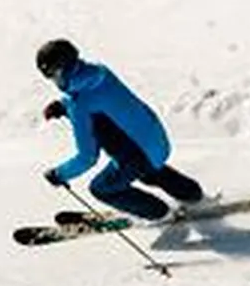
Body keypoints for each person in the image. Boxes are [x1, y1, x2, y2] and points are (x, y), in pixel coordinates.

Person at [36, 38, 210, 221]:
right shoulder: (100, 73)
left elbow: (87, 156)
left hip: (138, 156)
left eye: (54, 75)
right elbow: (102, 101)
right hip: (155, 140)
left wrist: (59, 174)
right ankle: (194, 196)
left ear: (64, 69)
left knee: (101, 188)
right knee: (149, 173)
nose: (54, 81)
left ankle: (161, 214)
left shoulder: (79, 105)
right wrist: (63, 106)